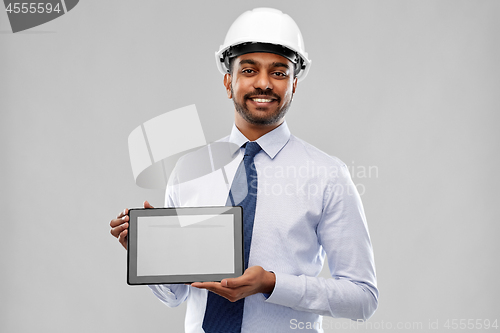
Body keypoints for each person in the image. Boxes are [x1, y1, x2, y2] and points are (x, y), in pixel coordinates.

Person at [110, 7, 378, 333]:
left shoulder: (327, 175)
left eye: (279, 73)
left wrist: (272, 284)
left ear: (295, 84)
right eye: (249, 70)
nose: (263, 84)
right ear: (228, 82)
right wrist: (149, 251)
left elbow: (363, 297)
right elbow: (176, 295)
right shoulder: (190, 170)